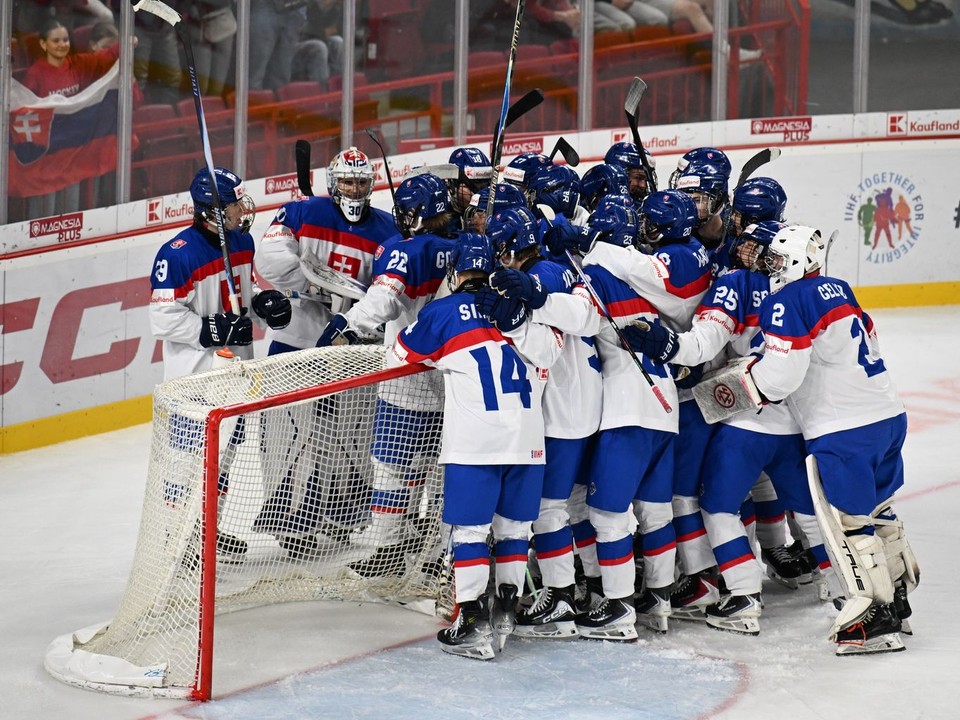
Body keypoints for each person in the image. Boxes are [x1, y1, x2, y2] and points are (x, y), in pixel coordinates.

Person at [734, 223, 917, 654]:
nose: (771, 266)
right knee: (880, 508)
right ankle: (898, 599)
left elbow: (782, 376)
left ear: (798, 259)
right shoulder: (840, 288)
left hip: (844, 427)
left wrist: (748, 381)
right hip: (888, 414)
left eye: (778, 259)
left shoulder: (786, 300)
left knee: (850, 522)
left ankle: (874, 617)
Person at [391, 233, 564, 659]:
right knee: (514, 530)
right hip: (528, 442)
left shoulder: (443, 312)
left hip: (475, 446)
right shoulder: (522, 310)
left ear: (455, 272)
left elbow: (398, 356)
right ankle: (505, 613)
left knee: (469, 533)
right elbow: (550, 353)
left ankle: (470, 621)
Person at [252, 146, 401, 557]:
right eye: (347, 182)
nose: (354, 189)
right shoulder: (303, 213)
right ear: (333, 185)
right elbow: (269, 260)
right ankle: (291, 518)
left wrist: (358, 303)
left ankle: (341, 513)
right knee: (289, 432)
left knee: (350, 434)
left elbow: (391, 287)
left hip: (353, 347)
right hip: (297, 339)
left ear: (369, 186)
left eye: (360, 182)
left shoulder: (387, 229)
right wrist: (316, 283)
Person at [315, 174, 458, 576]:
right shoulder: (466, 244)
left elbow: (384, 298)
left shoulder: (404, 250)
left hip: (406, 379)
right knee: (443, 470)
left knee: (393, 466)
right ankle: (438, 555)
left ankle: (389, 547)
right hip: (454, 380)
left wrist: (347, 323)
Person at [149, 166, 291, 562]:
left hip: (237, 373)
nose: (241, 210)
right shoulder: (176, 254)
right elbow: (163, 318)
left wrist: (265, 305)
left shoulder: (242, 244)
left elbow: (242, 303)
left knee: (225, 458)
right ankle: (174, 542)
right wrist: (210, 328)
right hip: (194, 380)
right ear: (211, 211)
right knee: (186, 464)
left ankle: (207, 532)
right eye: (233, 205)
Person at [486, 206, 603, 639]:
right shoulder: (556, 268)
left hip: (563, 414)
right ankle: (589, 585)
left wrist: (522, 304)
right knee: (574, 507)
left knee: (547, 510)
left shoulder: (546, 273)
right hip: (583, 406)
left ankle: (561, 598)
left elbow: (567, 327)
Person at [19, 17, 124, 217]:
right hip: (44, 159)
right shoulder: (34, 74)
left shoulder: (76, 64)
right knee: (43, 217)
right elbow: (25, 110)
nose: (62, 45)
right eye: (56, 41)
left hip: (72, 154)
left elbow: (104, 57)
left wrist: (126, 43)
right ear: (43, 44)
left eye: (65, 40)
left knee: (69, 215)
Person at [249, 0, 307, 90]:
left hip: (296, 7)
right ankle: (254, 102)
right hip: (266, 5)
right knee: (256, 71)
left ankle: (275, 102)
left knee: (282, 73)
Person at [292, 0, 344, 86]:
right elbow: (307, 30)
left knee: (338, 42)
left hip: (316, 38)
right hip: (295, 45)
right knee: (319, 47)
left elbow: (338, 30)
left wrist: (327, 7)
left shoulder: (337, 9)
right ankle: (323, 94)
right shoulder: (308, 5)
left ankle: (339, 90)